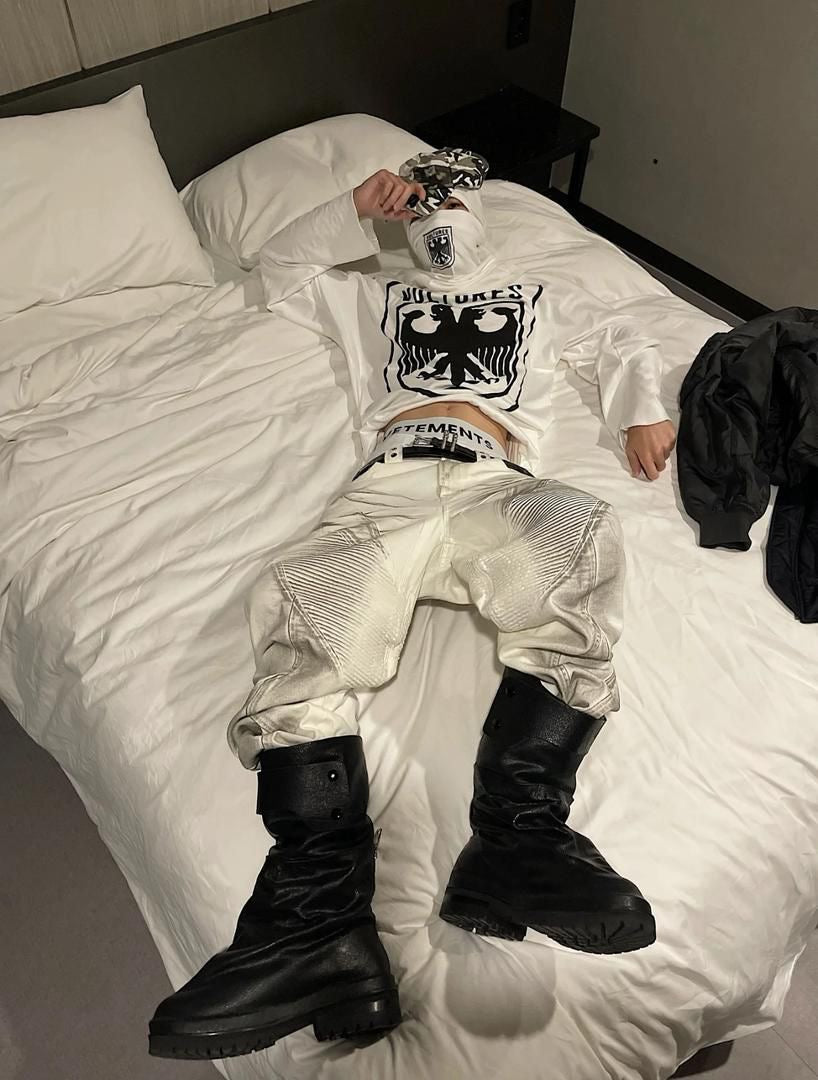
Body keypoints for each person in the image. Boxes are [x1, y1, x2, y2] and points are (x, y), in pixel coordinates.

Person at [149, 148, 676, 1061]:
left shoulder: (537, 293)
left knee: (578, 535)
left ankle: (516, 836)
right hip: (385, 483)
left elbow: (618, 333)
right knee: (308, 601)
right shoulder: (371, 294)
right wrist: (351, 209)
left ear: (481, 208)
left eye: (456, 193)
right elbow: (275, 272)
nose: (441, 209)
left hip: (495, 477)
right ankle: (319, 925)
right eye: (424, 195)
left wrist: (641, 404)